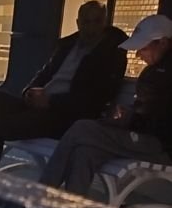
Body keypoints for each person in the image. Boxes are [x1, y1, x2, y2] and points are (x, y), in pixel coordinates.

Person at [0, 1, 127, 168]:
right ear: (78, 23)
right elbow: (45, 74)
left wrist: (51, 101)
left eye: (97, 21)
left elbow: (94, 99)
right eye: (86, 22)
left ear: (105, 22)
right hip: (42, 106)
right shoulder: (68, 46)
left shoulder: (112, 54)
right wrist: (29, 92)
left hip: (67, 116)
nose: (91, 28)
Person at [40, 14, 172, 197]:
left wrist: (130, 119)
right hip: (143, 136)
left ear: (163, 43)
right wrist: (125, 117)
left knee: (82, 128)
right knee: (84, 152)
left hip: (160, 145)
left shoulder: (163, 73)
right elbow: (146, 112)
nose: (138, 55)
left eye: (143, 48)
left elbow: (160, 120)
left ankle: (41, 193)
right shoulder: (152, 72)